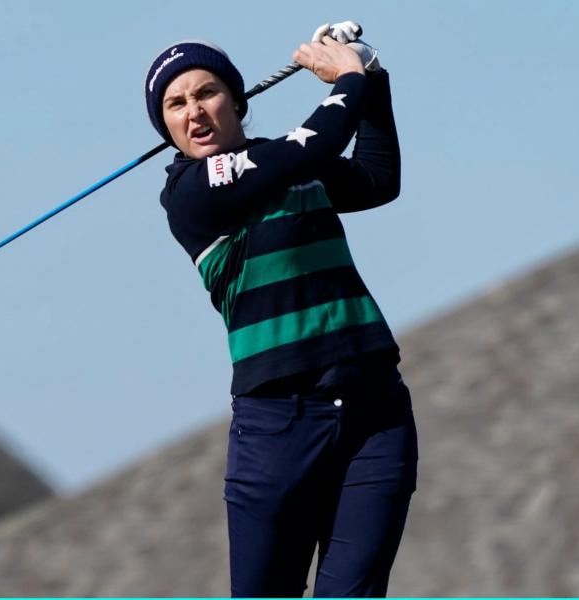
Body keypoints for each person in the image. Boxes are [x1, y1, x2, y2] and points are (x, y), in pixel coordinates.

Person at [145, 22, 418, 598]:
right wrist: (347, 79)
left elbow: (376, 179)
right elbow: (309, 147)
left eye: (206, 93)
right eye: (176, 103)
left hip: (374, 410)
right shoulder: (191, 193)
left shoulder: (285, 162)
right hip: (278, 427)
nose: (194, 111)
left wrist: (372, 77)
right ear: (166, 127)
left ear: (237, 101)